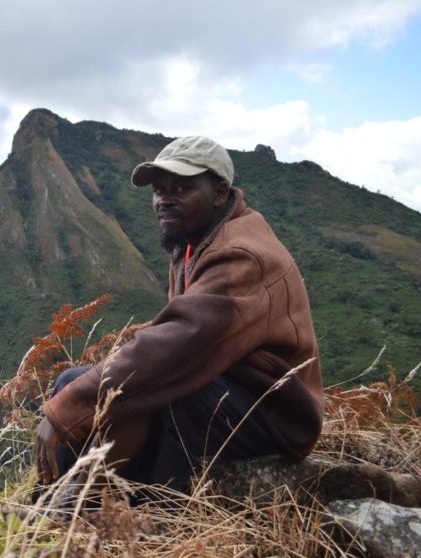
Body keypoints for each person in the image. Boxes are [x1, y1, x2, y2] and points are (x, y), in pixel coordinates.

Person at [35, 136, 324, 495]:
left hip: (275, 416)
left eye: (182, 187)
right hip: (229, 388)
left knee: (153, 385)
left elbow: (178, 343)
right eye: (159, 190)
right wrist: (69, 396)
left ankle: (112, 507)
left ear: (219, 192)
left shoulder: (239, 256)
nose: (164, 200)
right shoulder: (195, 239)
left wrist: (63, 413)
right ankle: (53, 501)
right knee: (70, 381)